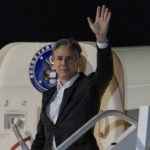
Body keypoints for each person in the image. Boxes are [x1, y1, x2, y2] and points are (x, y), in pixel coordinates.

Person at [31, 5, 113, 150]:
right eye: (59, 58)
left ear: (78, 61)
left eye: (69, 58)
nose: (63, 63)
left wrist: (101, 40)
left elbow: (105, 73)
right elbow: (41, 136)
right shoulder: (48, 95)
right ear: (54, 62)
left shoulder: (89, 87)